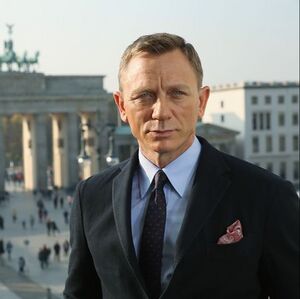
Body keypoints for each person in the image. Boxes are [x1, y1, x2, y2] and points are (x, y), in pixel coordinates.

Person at [64, 33, 299, 299]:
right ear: (121, 106)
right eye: (144, 96)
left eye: (177, 93)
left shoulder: (267, 196)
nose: (161, 111)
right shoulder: (91, 197)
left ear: (201, 102)